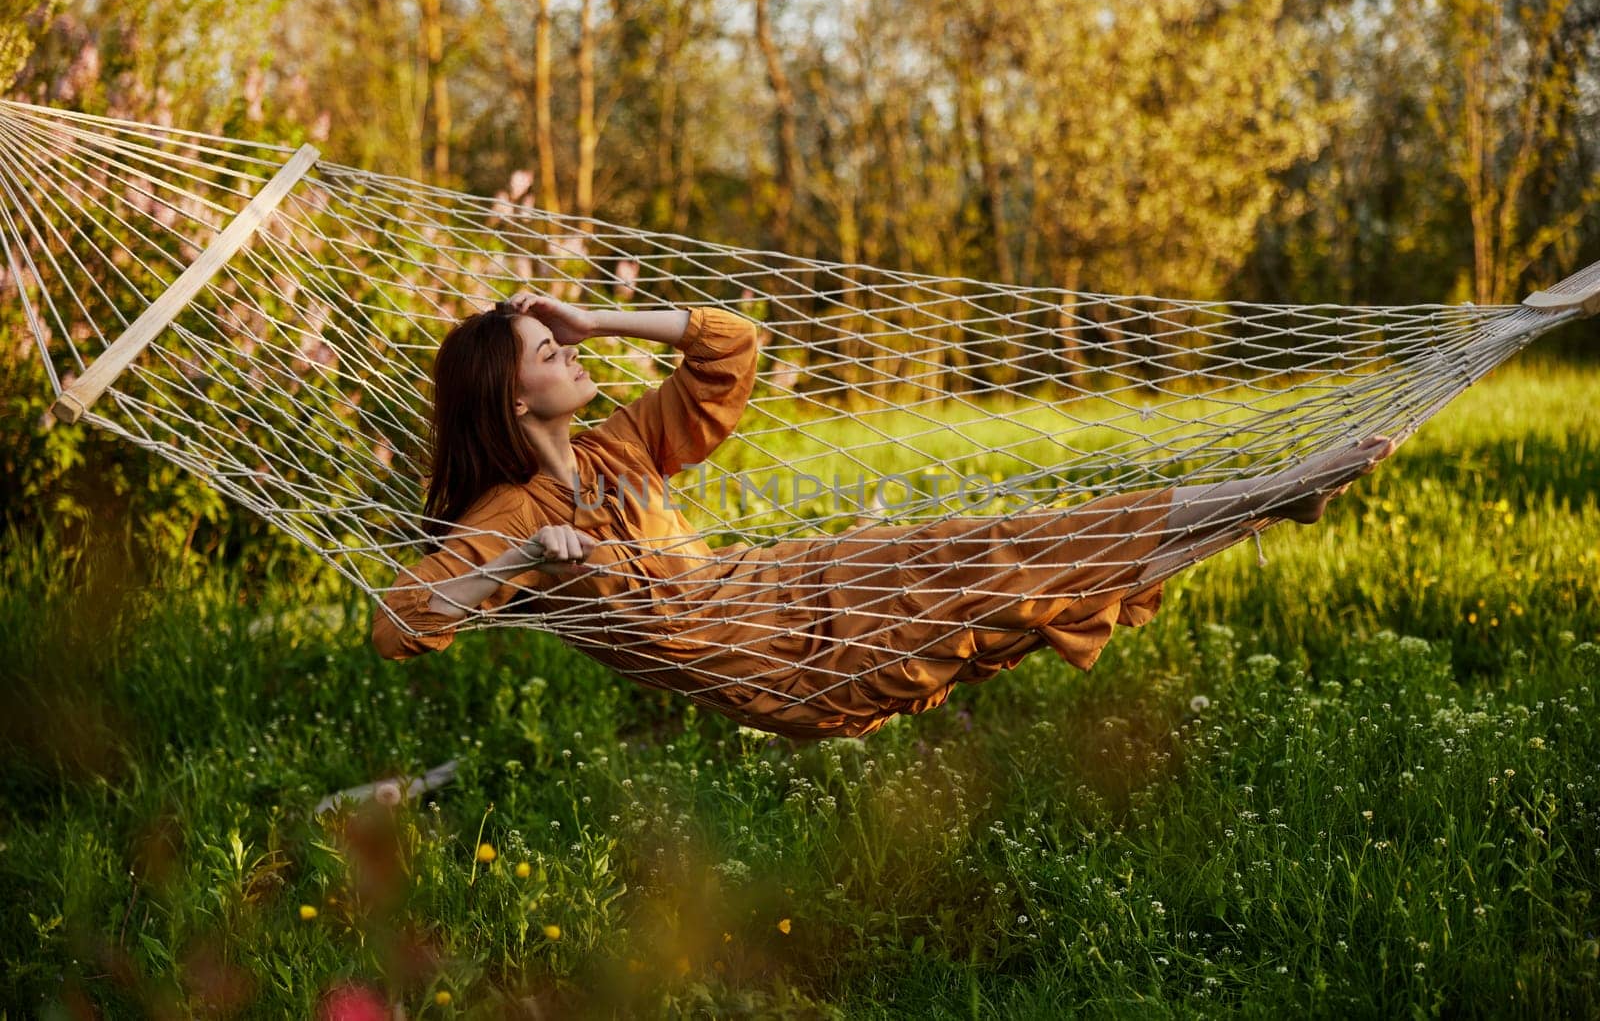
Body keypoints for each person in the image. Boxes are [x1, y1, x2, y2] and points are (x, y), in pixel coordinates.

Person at [371, 294, 1394, 739]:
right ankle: (1257, 502)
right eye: (550, 352)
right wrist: (534, 564)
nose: (569, 350)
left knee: (1007, 545)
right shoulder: (511, 511)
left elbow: (733, 350)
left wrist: (596, 316)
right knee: (1004, 574)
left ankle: (1261, 498)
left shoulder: (618, 446)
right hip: (781, 661)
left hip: (795, 579)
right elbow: (401, 623)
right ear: (511, 400)